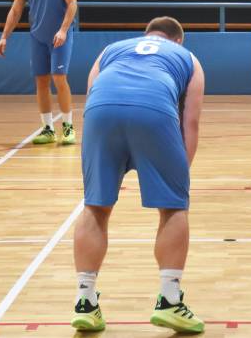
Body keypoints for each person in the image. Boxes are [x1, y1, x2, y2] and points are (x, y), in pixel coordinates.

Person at [71, 17, 205, 334]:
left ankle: (85, 301)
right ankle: (169, 299)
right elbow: (191, 122)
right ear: (178, 40)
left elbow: (92, 97)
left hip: (101, 111)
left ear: (146, 35)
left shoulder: (111, 49)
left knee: (95, 206)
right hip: (154, 110)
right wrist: (178, 179)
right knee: (173, 208)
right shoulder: (188, 58)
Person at [0, 0, 79, 145]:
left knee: (59, 78)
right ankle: (48, 129)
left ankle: (68, 126)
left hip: (59, 36)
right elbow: (16, 10)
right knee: (41, 81)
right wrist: (4, 36)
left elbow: (72, 4)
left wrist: (63, 30)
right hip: (37, 36)